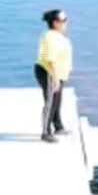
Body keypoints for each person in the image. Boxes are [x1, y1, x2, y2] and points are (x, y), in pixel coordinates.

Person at [35, 9, 72, 142]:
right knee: (50, 103)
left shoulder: (58, 36)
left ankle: (58, 126)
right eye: (64, 20)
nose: (66, 23)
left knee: (57, 100)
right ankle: (46, 132)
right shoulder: (50, 36)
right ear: (56, 23)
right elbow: (50, 60)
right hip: (49, 73)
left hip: (59, 74)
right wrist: (55, 77)